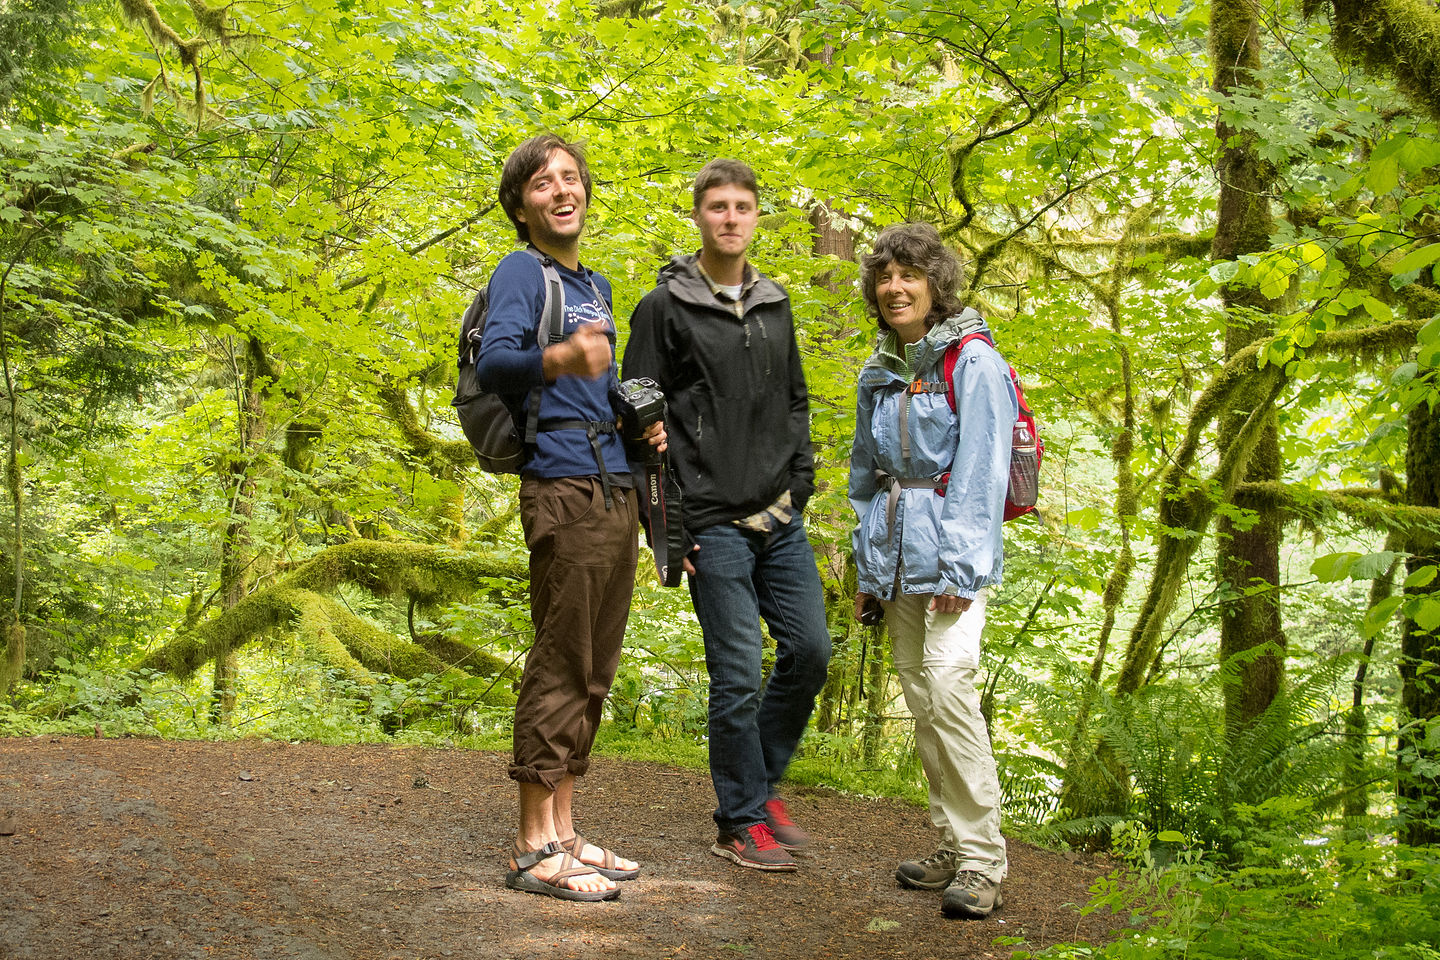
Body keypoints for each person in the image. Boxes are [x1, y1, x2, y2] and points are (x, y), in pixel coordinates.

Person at [623, 159, 831, 872]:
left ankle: (761, 787)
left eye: (743, 205)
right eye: (718, 206)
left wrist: (799, 483)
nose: (731, 217)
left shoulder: (775, 302)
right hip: (710, 521)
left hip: (780, 516)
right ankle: (739, 821)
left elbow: (796, 399)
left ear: (756, 218)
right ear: (699, 216)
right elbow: (638, 415)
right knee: (738, 673)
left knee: (810, 653)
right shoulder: (664, 308)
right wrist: (665, 529)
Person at [475, 133, 664, 902]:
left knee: (594, 665)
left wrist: (636, 423)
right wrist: (560, 358)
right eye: (544, 182)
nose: (563, 190)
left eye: (572, 177)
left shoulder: (597, 285)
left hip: (612, 483)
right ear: (522, 205)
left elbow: (596, 388)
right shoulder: (523, 270)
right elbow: (496, 362)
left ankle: (564, 831)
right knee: (561, 660)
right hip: (562, 488)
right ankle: (529, 845)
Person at [847, 222, 1015, 918]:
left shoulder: (972, 362)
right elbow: (866, 477)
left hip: (952, 561)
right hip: (895, 560)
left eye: (908, 274)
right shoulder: (881, 371)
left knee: (949, 689)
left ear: (935, 284)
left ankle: (983, 862)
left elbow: (982, 469)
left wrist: (961, 567)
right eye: (884, 276)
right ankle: (950, 843)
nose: (895, 287)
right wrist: (866, 568)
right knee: (920, 698)